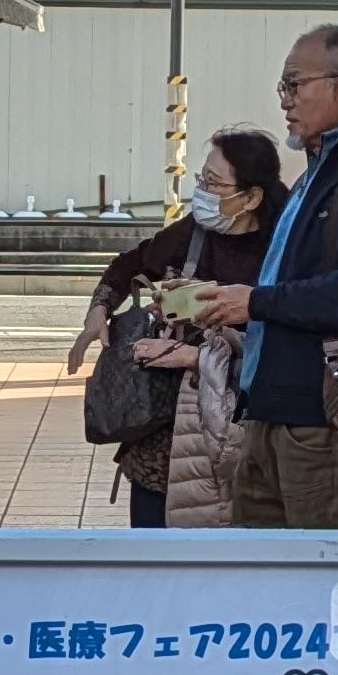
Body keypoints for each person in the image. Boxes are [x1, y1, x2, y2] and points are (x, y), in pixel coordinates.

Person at [191, 25, 338, 530]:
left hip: (320, 419)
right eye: (283, 88)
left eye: (295, 86)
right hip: (272, 412)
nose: (284, 102)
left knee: (318, 579)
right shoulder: (318, 171)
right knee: (262, 582)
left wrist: (255, 303)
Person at [69, 132, 278, 526]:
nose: (202, 193)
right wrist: (98, 310)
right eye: (202, 179)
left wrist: (198, 357)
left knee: (218, 550)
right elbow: (129, 264)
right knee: (151, 549)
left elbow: (286, 344)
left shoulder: (281, 250)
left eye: (214, 184)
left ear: (251, 198)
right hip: (163, 429)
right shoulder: (194, 232)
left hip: (234, 430)